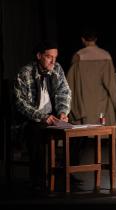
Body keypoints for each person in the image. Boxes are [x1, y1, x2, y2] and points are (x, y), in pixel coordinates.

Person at [13, 40, 72, 189]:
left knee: (76, 134)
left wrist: (63, 112)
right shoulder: (25, 72)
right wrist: (42, 117)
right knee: (36, 133)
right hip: (32, 119)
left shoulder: (57, 68)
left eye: (55, 57)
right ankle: (39, 180)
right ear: (39, 56)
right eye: (49, 56)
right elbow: (21, 103)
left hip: (53, 117)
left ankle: (67, 174)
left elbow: (63, 92)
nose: (53, 60)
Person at [67, 30, 116, 128]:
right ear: (96, 39)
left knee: (86, 131)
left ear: (83, 40)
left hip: (84, 102)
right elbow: (111, 83)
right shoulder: (106, 56)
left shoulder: (78, 57)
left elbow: (70, 84)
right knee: (102, 129)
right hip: (102, 102)